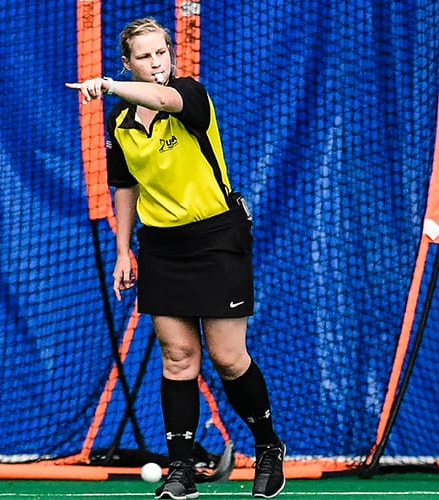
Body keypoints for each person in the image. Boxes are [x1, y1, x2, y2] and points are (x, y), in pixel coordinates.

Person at [66, 17, 285, 500]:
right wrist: (123, 250)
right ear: (128, 63)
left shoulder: (188, 95)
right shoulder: (119, 121)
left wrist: (107, 84)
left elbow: (162, 99)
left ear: (171, 55)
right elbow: (125, 185)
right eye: (144, 57)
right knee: (178, 357)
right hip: (162, 248)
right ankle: (181, 470)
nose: (155, 63)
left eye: (161, 53)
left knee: (228, 358)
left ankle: (269, 447)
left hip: (217, 238)